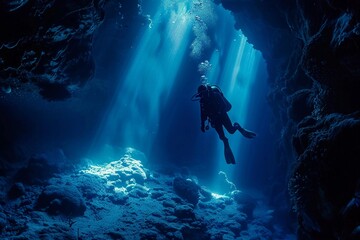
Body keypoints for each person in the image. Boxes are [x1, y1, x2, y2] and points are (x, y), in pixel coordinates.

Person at [192, 84, 256, 164]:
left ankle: (238, 127)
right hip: (214, 120)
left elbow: (224, 105)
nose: (202, 96)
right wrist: (202, 124)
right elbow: (202, 113)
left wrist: (218, 113)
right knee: (222, 137)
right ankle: (226, 143)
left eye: (203, 93)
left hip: (222, 115)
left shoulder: (215, 95)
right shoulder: (202, 102)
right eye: (200, 95)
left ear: (206, 91)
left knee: (231, 131)